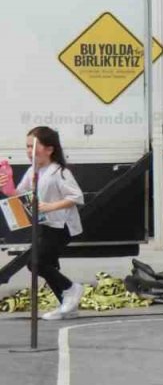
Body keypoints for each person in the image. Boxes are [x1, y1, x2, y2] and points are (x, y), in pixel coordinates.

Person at [0, 126, 86, 320]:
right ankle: (67, 305)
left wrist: (50, 206)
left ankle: (71, 289)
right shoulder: (33, 170)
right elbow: (21, 196)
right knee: (47, 264)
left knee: (36, 263)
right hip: (45, 225)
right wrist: (8, 188)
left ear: (49, 149)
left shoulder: (59, 172)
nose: (29, 151)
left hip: (61, 226)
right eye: (27, 147)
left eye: (34, 146)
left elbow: (76, 196)